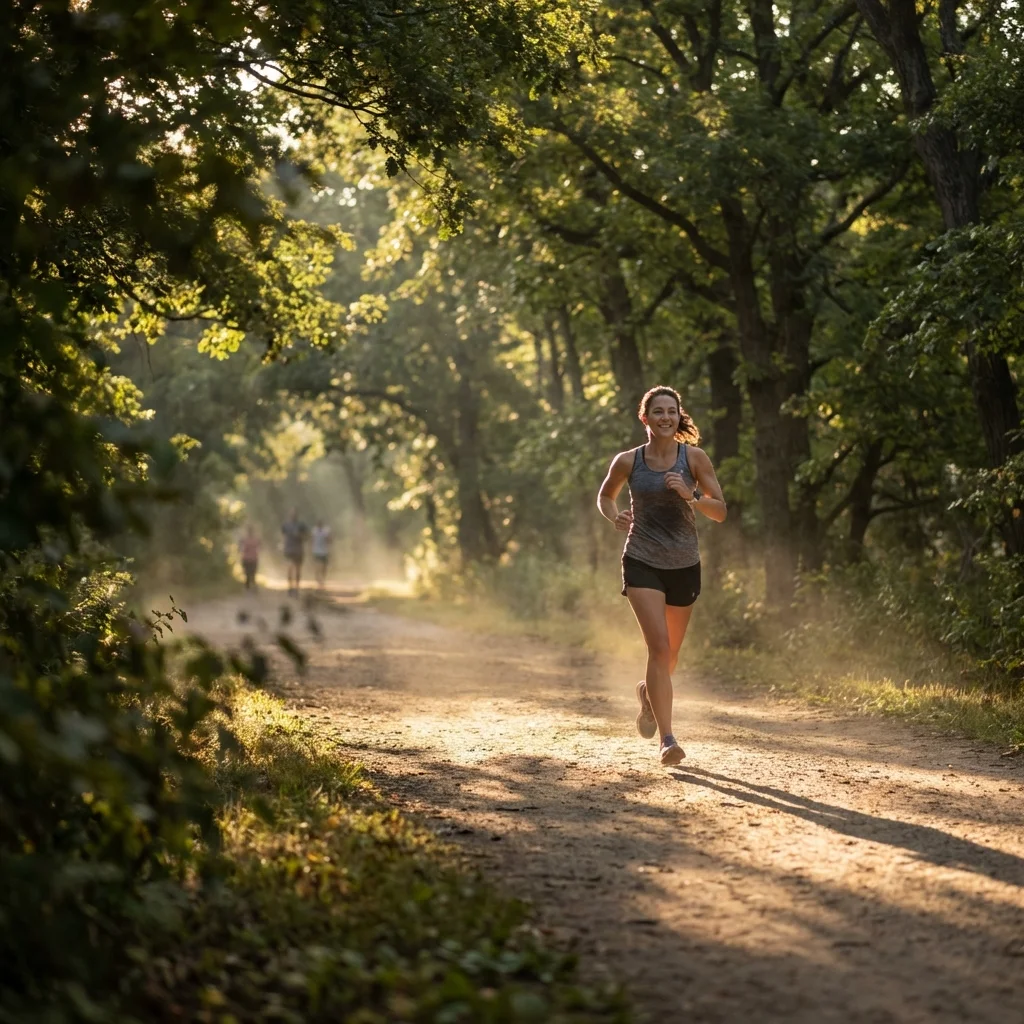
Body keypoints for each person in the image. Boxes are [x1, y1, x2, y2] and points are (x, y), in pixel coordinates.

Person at [597, 386, 728, 767]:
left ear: (678, 416)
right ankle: (667, 740)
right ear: (646, 418)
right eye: (658, 411)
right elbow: (605, 496)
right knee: (658, 648)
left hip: (684, 564)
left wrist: (691, 495)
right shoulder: (628, 461)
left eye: (671, 411)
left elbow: (720, 511)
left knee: (669, 656)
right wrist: (614, 515)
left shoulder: (695, 458)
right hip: (641, 559)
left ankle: (647, 695)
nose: (665, 417)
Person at [281, 508, 308, 597]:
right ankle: (290, 587)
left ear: (297, 515)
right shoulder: (285, 525)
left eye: (294, 514)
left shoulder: (301, 525)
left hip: (298, 550)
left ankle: (296, 587)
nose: (293, 516)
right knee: (289, 568)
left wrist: (299, 535)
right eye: (291, 514)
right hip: (289, 549)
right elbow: (283, 536)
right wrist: (283, 546)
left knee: (298, 569)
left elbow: (306, 536)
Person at [310, 519, 332, 589]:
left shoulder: (325, 531)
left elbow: (329, 540)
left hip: (324, 551)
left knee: (324, 567)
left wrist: (328, 539)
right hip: (316, 551)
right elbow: (312, 540)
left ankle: (322, 578)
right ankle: (318, 578)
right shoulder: (314, 531)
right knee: (317, 566)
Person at [239, 524, 261, 590]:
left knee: (247, 574)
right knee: (252, 574)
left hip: (246, 559)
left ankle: (248, 587)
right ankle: (252, 587)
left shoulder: (244, 539)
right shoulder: (256, 539)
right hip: (253, 559)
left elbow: (240, 548)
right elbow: (261, 547)